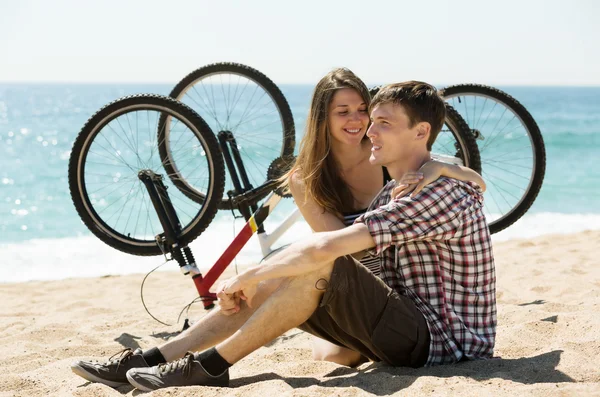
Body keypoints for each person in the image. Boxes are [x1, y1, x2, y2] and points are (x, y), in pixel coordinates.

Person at [71, 80, 496, 392]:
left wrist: (248, 277)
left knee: (317, 260)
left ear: (420, 133)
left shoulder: (435, 191)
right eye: (371, 120)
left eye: (380, 122)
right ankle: (157, 357)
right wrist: (264, 279)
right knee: (302, 269)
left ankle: (210, 365)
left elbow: (331, 246)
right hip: (407, 323)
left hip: (443, 342)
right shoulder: (400, 186)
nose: (368, 129)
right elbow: (355, 259)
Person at [283, 68, 486, 366]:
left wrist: (444, 168)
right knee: (337, 358)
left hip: (406, 288)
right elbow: (350, 249)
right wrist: (393, 220)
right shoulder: (307, 177)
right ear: (322, 118)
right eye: (343, 112)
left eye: (362, 110)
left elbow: (477, 184)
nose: (356, 120)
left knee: (366, 350)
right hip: (357, 278)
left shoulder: (383, 153)